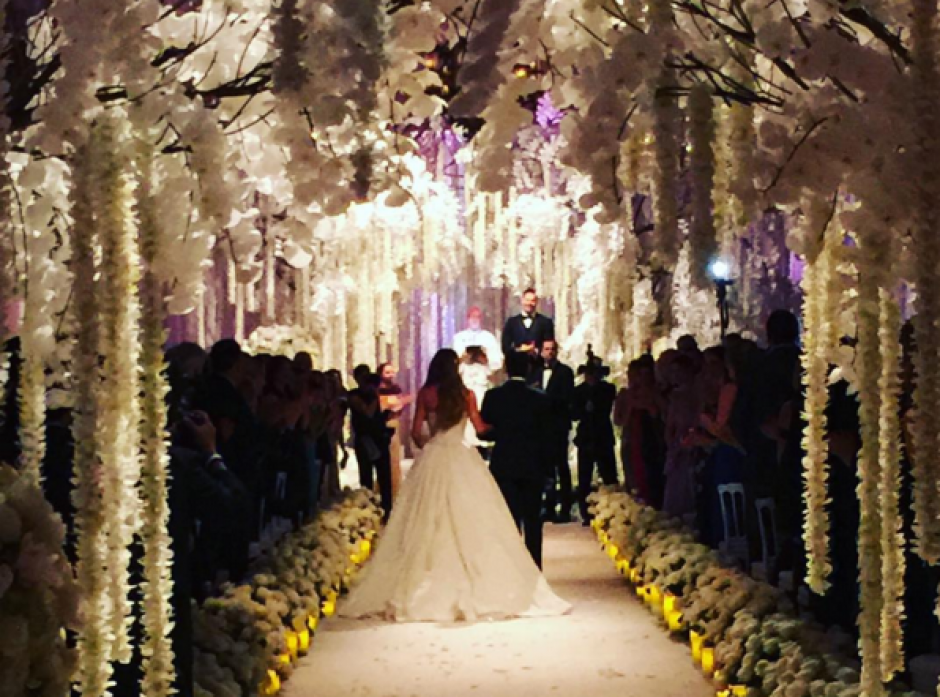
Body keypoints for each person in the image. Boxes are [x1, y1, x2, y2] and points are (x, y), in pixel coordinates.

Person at [340, 349, 570, 622]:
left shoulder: (427, 393)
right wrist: (509, 431)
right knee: (472, 517)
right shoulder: (466, 395)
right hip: (462, 457)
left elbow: (414, 432)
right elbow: (482, 428)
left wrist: (431, 448)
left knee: (424, 519)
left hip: (435, 455)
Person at [480, 351, 555, 567]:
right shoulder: (540, 399)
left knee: (509, 520)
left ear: (506, 369)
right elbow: (548, 437)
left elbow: (488, 432)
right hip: (533, 465)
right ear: (529, 369)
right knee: (533, 520)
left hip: (505, 464)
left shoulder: (494, 397)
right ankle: (534, 568)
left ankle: (511, 568)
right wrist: (549, 470)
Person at [571, 348, 619, 524]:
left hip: (602, 435)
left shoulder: (607, 389)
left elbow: (605, 408)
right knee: (584, 477)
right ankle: (586, 513)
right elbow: (574, 414)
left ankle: (614, 510)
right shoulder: (578, 391)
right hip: (585, 437)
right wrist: (584, 408)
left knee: (608, 474)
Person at [532, 339, 576, 522]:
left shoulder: (565, 372)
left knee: (561, 466)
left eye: (552, 349)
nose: (549, 352)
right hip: (540, 427)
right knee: (544, 468)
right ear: (541, 351)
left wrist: (546, 400)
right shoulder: (534, 372)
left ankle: (565, 507)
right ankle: (547, 506)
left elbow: (567, 398)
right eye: (546, 349)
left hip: (558, 425)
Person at [348, 365, 394, 520]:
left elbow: (378, 416)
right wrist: (374, 397)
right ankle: (367, 510)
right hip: (365, 439)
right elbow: (367, 413)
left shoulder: (376, 393)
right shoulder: (354, 395)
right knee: (366, 476)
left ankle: (387, 509)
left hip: (379, 438)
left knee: (385, 476)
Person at [377, 362, 412, 500]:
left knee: (394, 459)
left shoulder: (396, 388)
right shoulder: (377, 390)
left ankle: (395, 489)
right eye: (387, 372)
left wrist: (401, 405)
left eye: (392, 372)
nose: (390, 375)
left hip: (394, 424)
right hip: (382, 425)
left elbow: (400, 407)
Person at [501, 288, 555, 365]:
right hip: (516, 367)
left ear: (536, 302)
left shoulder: (546, 322)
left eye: (532, 300)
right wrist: (519, 350)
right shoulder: (511, 322)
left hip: (538, 366)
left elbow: (550, 345)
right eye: (527, 300)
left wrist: (536, 351)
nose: (529, 303)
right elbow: (505, 346)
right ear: (522, 300)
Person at [453, 306, 502, 371]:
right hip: (465, 374)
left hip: (483, 375)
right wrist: (464, 356)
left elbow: (497, 361)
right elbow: (455, 359)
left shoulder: (489, 337)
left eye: (477, 317)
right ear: (468, 318)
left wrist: (486, 356)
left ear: (481, 319)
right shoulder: (459, 337)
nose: (475, 319)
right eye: (473, 316)